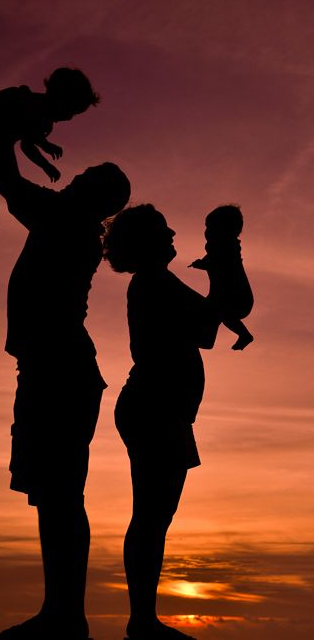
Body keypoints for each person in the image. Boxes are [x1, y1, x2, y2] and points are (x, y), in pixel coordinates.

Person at [0, 137, 130, 640]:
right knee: (57, 494)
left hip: (58, 370)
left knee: (61, 494)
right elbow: (4, 182)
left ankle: (64, 617)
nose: (73, 179)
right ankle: (61, 614)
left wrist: (0, 125)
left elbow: (1, 179)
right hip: (56, 367)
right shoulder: (71, 222)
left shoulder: (64, 218)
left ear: (94, 196)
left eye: (85, 178)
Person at [104, 204, 232, 640]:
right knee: (151, 517)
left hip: (160, 408)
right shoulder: (154, 283)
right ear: (145, 242)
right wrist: (221, 267)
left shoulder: (158, 282)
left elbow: (209, 327)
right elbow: (208, 330)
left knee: (154, 516)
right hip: (154, 407)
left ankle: (143, 619)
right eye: (163, 229)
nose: (173, 231)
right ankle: (142, 622)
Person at [189, 204, 254, 350]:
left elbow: (220, 262)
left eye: (210, 228)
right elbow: (212, 260)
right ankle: (204, 338)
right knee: (208, 315)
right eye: (206, 227)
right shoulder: (218, 247)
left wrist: (203, 264)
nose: (207, 232)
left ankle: (244, 334)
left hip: (236, 296)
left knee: (222, 314)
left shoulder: (228, 247)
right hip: (220, 295)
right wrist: (202, 263)